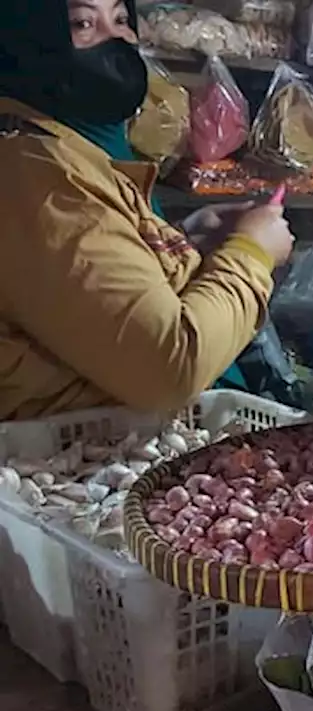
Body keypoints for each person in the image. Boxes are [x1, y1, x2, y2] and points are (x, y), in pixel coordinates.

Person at [0, 0, 296, 420]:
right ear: (27, 42)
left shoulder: (73, 150)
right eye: (84, 23)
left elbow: (81, 284)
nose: (117, 39)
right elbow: (170, 366)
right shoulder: (37, 176)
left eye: (121, 20)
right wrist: (251, 255)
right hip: (75, 465)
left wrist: (179, 243)